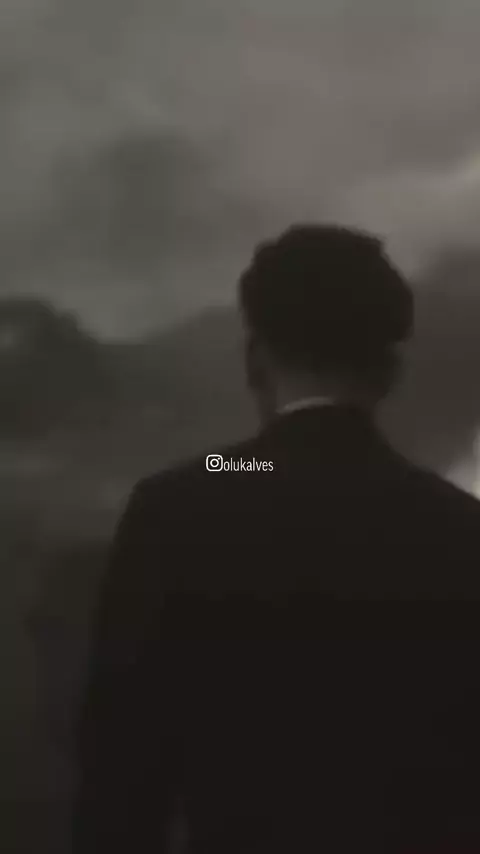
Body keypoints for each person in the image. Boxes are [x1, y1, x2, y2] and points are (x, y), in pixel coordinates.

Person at [73, 225, 480, 854]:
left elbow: (120, 769)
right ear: (389, 372)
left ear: (255, 358)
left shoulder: (178, 504)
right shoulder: (459, 524)